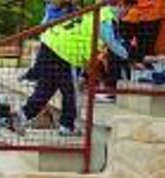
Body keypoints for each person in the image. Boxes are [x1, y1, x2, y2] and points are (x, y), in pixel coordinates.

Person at [12, 2, 128, 136]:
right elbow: (111, 41)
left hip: (51, 45)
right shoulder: (106, 17)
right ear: (122, 5)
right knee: (71, 92)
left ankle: (23, 115)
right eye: (128, 9)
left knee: (45, 89)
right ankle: (67, 126)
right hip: (67, 54)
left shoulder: (94, 11)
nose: (126, 14)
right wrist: (131, 56)